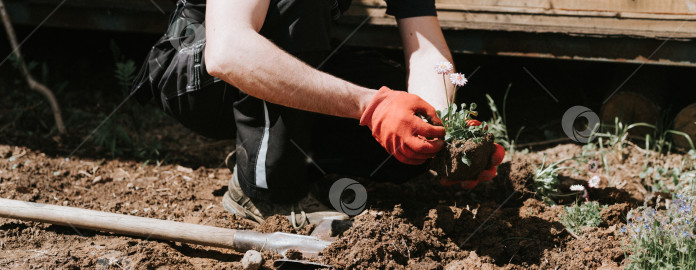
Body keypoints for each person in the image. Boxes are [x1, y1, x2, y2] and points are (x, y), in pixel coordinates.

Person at [131, 0, 504, 226]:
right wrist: (371, 106)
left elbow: (426, 51)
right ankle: (263, 192)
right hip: (194, 71)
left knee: (401, 142)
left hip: (261, 66)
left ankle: (273, 148)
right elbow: (228, 50)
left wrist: (439, 132)